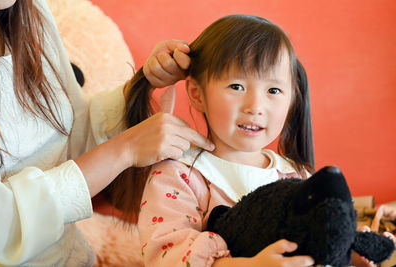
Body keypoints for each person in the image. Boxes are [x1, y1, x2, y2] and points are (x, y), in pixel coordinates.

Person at [0, 0, 214, 266]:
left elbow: (71, 132)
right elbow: (4, 228)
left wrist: (142, 85)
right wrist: (126, 149)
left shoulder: (29, 10)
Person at [111, 14, 316, 266]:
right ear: (197, 94)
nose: (255, 106)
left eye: (273, 90)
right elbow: (168, 255)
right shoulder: (180, 175)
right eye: (237, 86)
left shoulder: (297, 176)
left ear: (292, 99)